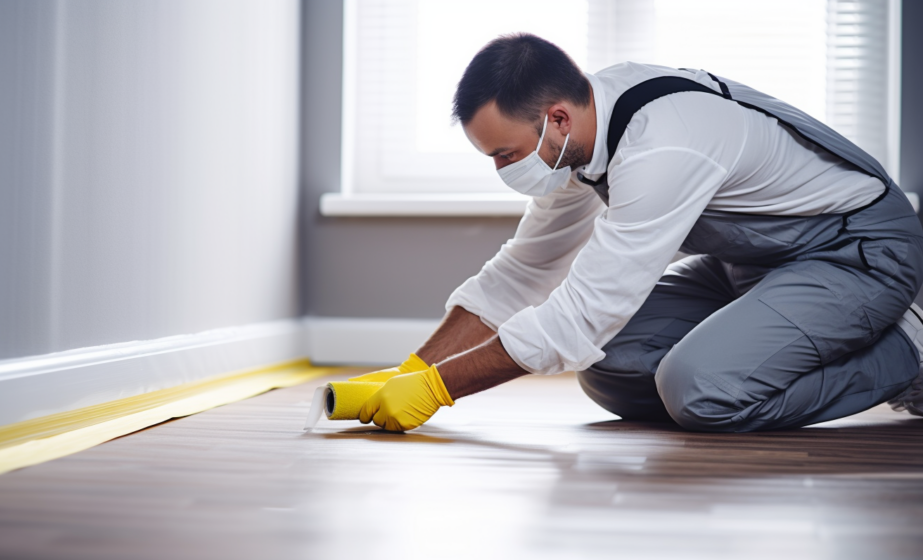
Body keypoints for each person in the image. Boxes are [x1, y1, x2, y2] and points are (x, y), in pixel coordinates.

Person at [353, 33, 923, 433]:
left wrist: (437, 389)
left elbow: (581, 315)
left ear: (556, 119)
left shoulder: (662, 143)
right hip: (752, 266)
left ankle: (907, 350)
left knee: (700, 391)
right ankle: (768, 339)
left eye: (507, 154)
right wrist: (410, 370)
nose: (503, 171)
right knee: (608, 367)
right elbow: (522, 273)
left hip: (856, 253)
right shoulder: (579, 143)